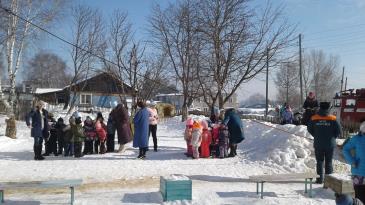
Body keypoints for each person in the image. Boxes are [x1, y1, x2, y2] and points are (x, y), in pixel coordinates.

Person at [307, 102, 342, 184]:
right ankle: (329, 181)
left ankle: (319, 180)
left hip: (318, 144)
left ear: (320, 108)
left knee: (319, 161)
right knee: (329, 162)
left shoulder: (314, 118)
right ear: (328, 108)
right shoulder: (333, 118)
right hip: (330, 144)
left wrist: (316, 135)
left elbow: (309, 129)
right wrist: (333, 137)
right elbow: (339, 131)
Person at [342, 121, 365, 203]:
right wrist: (352, 161)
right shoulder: (357, 139)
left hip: (358, 172)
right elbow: (345, 149)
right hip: (359, 173)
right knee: (360, 198)